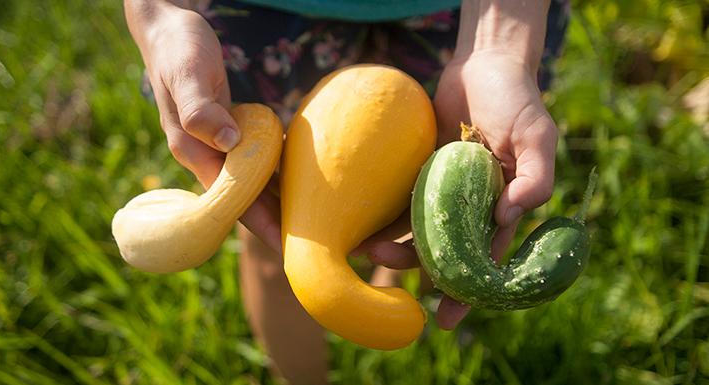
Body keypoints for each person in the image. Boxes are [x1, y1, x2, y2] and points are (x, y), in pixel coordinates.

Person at [124, 0, 567, 383]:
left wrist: (496, 48)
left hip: (473, 12)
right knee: (273, 228)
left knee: (425, 220)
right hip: (265, 14)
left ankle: (386, 277)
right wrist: (158, 13)